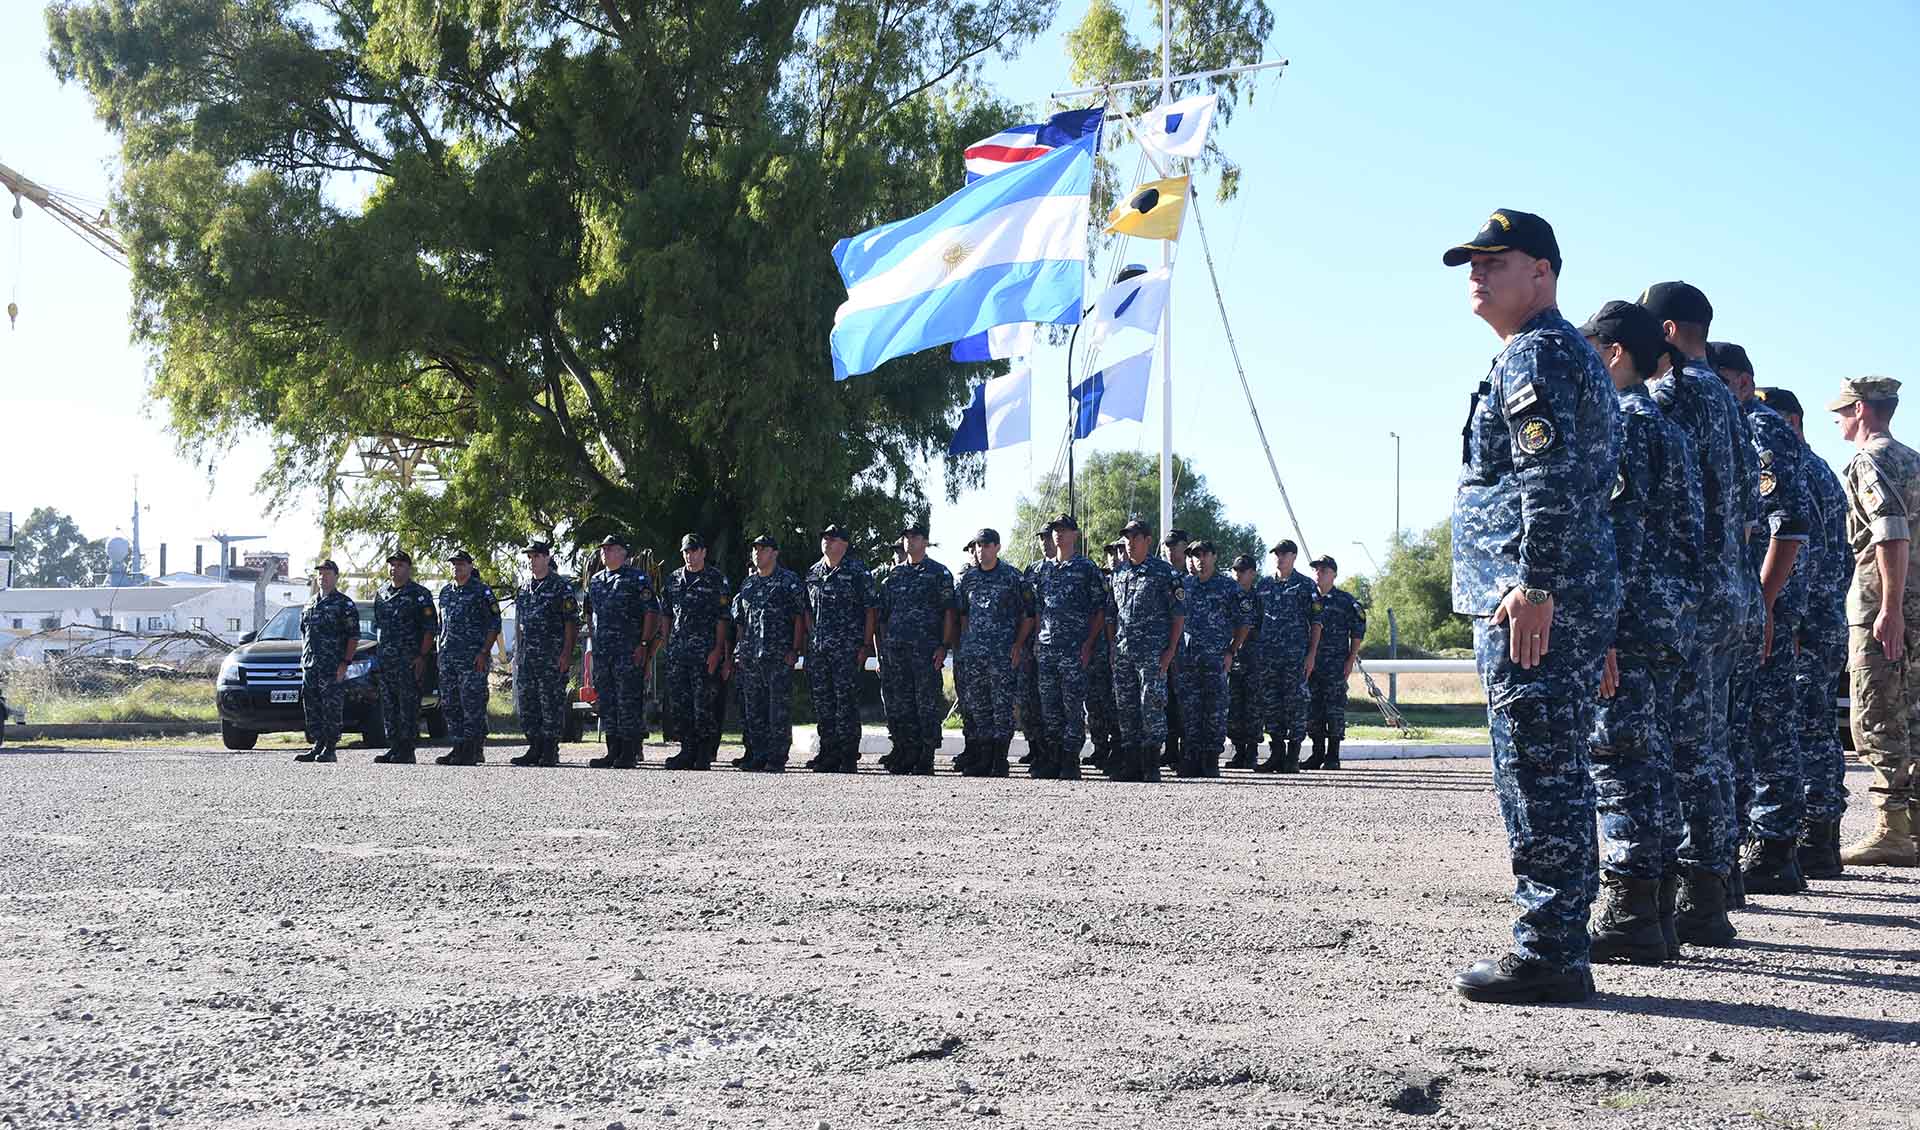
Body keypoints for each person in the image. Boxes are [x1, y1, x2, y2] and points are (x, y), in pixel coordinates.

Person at [1446, 209, 1619, 1003]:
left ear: (1542, 272)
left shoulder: (1538, 356)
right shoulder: (1557, 353)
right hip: (1549, 593)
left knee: (1538, 771)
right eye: (1471, 262)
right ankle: (1559, 940)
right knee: (1555, 769)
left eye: (1495, 259)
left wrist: (1535, 584)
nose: (1476, 273)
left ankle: (1549, 951)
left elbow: (1548, 483)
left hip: (1533, 601)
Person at [1578, 301, 1703, 963]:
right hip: (1672, 620)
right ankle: (1653, 905)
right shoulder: (1671, 431)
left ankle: (1629, 907)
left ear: (1613, 354)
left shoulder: (1624, 425)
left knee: (1621, 760)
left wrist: (1601, 630)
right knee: (1654, 761)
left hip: (1631, 619)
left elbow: (1615, 538)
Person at [1640, 280, 1746, 945]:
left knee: (1679, 755)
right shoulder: (1730, 400)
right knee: (1706, 750)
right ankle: (1709, 895)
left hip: (1686, 597)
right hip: (1724, 591)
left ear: (1672, 331)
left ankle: (1693, 901)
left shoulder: (1674, 392)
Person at [1712, 342, 1815, 893]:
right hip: (1746, 602)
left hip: (1763, 604)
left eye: (1722, 378)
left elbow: (1787, 526)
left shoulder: (1758, 428)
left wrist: (1766, 603)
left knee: (1764, 728)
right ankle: (1752, 848)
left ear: (1744, 381)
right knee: (1745, 729)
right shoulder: (1727, 423)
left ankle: (1774, 849)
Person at [1756, 386, 1856, 877]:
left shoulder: (1798, 472)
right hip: (1820, 616)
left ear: (1791, 422)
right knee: (1813, 728)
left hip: (1804, 620)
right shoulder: (1819, 471)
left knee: (1794, 728)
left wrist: (1788, 615)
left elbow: (1802, 548)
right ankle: (1820, 837)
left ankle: (1809, 837)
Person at [1829, 376, 1920, 866]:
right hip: (1917, 604)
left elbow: (1889, 533)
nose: (1839, 421)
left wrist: (1887, 606)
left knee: (1877, 713)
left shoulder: (1870, 460)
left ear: (1862, 409)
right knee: (1912, 710)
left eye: (1842, 412)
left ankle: (1892, 830)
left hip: (1880, 603)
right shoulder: (1912, 459)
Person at [1030, 513, 1107, 780]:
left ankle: (1071, 758)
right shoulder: (1043, 570)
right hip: (1048, 647)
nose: (1058, 534)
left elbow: (1100, 610)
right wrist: (1039, 639)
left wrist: (1087, 644)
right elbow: (1039, 608)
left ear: (1075, 534)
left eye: (1064, 530)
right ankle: (1054, 757)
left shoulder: (1086, 568)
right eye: (1055, 531)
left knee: (1072, 706)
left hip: (1074, 649)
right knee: (1050, 706)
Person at [953, 528, 1034, 778]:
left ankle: (1000, 760)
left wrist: (1018, 644)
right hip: (975, 656)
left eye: (986, 545)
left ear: (997, 547)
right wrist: (967, 644)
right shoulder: (969, 579)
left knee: (1001, 707)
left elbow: (1029, 615)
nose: (981, 550)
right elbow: (963, 614)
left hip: (1002, 655)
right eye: (978, 545)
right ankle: (984, 758)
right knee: (979, 707)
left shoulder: (1012, 577)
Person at [876, 523, 956, 775]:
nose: (910, 541)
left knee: (926, 704)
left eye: (916, 537)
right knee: (902, 705)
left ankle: (926, 755)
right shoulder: (894, 576)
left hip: (926, 651)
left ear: (925, 541)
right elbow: (883, 617)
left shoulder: (939, 573)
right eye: (907, 537)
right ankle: (907, 753)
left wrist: (943, 646)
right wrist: (883, 651)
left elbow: (949, 613)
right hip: (897, 652)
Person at [1110, 516, 1185, 782]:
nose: (1130, 543)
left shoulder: (1165, 573)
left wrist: (1170, 651)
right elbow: (1113, 614)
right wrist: (1112, 648)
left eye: (1135, 538)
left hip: (1153, 653)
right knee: (1126, 706)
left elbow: (1178, 615)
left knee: (1151, 706)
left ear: (1148, 541)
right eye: (1127, 538)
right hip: (1123, 652)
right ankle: (1131, 763)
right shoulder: (1118, 574)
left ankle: (1152, 763)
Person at [804, 524, 877, 773]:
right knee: (823, 703)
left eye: (833, 539)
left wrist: (866, 645)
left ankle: (847, 755)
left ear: (844, 544)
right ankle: (828, 752)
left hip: (847, 649)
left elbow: (870, 610)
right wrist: (811, 638)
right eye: (825, 538)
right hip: (819, 649)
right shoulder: (813, 572)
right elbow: (807, 611)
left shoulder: (857, 572)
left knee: (845, 703)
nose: (827, 542)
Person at [733, 535, 808, 772]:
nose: (757, 553)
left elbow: (799, 618)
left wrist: (795, 649)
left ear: (774, 553)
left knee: (778, 709)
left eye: (763, 549)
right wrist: (739, 649)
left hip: (778, 655)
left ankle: (777, 756)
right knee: (754, 708)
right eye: (755, 549)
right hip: (751, 657)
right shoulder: (748, 584)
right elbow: (741, 622)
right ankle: (758, 753)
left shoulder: (788, 581)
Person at [1176, 541, 1250, 777]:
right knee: (1190, 709)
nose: (1200, 559)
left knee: (1215, 709)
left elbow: (1245, 621)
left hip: (1216, 659)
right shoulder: (1185, 585)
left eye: (1204, 554)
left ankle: (1210, 758)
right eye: (1195, 555)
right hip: (1188, 660)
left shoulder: (1228, 587)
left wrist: (1232, 650)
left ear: (1214, 557)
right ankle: (1191, 756)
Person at [659, 534, 732, 771]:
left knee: (704, 704)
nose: (689, 555)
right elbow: (667, 614)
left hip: (704, 652)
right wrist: (667, 643)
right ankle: (687, 749)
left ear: (703, 552)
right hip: (679, 652)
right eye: (686, 552)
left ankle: (704, 752)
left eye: (693, 551)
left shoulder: (716, 580)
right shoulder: (673, 580)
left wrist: (717, 651)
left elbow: (723, 619)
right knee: (681, 704)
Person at [584, 535, 656, 769]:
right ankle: (612, 750)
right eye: (603, 549)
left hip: (628, 652)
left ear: (623, 553)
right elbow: (589, 613)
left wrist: (644, 644)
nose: (605, 553)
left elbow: (651, 613)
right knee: (607, 702)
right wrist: (594, 643)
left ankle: (629, 752)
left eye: (611, 549)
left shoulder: (637, 579)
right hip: (604, 653)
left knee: (629, 701)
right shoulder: (595, 581)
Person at [509, 540, 579, 768]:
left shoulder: (560, 587)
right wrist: (517, 655)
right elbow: (520, 624)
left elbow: (571, 623)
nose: (532, 561)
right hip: (527, 658)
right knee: (529, 703)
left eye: (536, 556)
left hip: (551, 656)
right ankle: (535, 746)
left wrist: (566, 653)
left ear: (547, 558)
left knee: (551, 703)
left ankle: (550, 749)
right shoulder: (524, 588)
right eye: (529, 557)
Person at [1253, 540, 1319, 773]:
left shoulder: (1305, 585)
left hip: (1295, 657)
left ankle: (1293, 756)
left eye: (1284, 554)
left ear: (1293, 556)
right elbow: (1256, 621)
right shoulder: (1264, 585)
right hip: (1269, 657)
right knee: (1271, 704)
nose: (1279, 558)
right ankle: (1277, 754)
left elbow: (1317, 623)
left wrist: (1311, 654)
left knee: (1295, 704)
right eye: (1276, 554)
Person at [435, 549, 502, 766]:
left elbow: (494, 625)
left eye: (462, 564)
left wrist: (484, 652)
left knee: (471, 704)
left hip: (472, 660)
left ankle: (473, 749)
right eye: (454, 564)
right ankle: (458, 747)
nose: (457, 567)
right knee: (450, 704)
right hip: (448, 659)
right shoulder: (445, 592)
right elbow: (441, 626)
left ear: (470, 566)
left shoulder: (481, 592)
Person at [371, 550, 437, 765]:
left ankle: (407, 749)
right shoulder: (381, 593)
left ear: (408, 568)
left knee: (408, 706)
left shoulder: (419, 594)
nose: (394, 568)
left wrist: (421, 657)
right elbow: (378, 627)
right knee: (389, 706)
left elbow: (429, 629)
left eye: (399, 565)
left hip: (409, 660)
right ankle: (394, 746)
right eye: (391, 564)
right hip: (386, 661)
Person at [1301, 556, 1365, 771]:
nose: (1319, 573)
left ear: (1334, 574)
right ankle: (1317, 753)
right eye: (1316, 569)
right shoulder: (1307, 599)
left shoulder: (1345, 601)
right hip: (1311, 664)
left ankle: (1333, 755)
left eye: (1324, 570)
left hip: (1335, 664)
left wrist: (1350, 659)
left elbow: (1357, 631)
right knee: (1313, 709)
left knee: (1334, 710)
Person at [295, 559, 359, 764]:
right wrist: (303, 661)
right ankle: (317, 744)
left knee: (331, 706)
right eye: (320, 573)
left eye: (328, 573)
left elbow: (353, 636)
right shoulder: (310, 603)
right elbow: (304, 634)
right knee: (312, 705)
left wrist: (345, 663)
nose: (323, 577)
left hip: (332, 666)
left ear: (336, 577)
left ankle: (330, 748)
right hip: (311, 665)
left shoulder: (344, 603)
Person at [1083, 540, 1124, 770]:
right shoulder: (1102, 580)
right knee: (1095, 703)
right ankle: (1100, 748)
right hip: (1098, 652)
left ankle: (1118, 750)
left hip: (1120, 652)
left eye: (1117, 551)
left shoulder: (1128, 581)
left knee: (1116, 704)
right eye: (1109, 552)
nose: (1113, 556)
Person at [1018, 528, 1054, 768]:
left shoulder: (1075, 567)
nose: (1043, 542)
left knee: (1049, 701)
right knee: (1029, 698)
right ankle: (1035, 747)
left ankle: (1051, 751)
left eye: (1046, 537)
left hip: (1054, 645)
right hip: (1030, 644)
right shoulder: (1032, 570)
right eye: (1040, 538)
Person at [1225, 553, 1264, 769]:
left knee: (1252, 706)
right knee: (1235, 706)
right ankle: (1239, 750)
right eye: (1235, 570)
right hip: (1234, 659)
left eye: (1243, 571)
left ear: (1252, 573)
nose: (1238, 575)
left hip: (1251, 659)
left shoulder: (1254, 599)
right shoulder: (1229, 596)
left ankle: (1251, 751)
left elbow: (1247, 627)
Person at [1159, 530, 1192, 769]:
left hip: (1188, 652)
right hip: (1163, 648)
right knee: (1166, 700)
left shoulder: (1192, 579)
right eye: (1167, 546)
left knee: (1185, 702)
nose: (1171, 551)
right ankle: (1169, 749)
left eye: (1176, 546)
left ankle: (1185, 752)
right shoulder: (1160, 577)